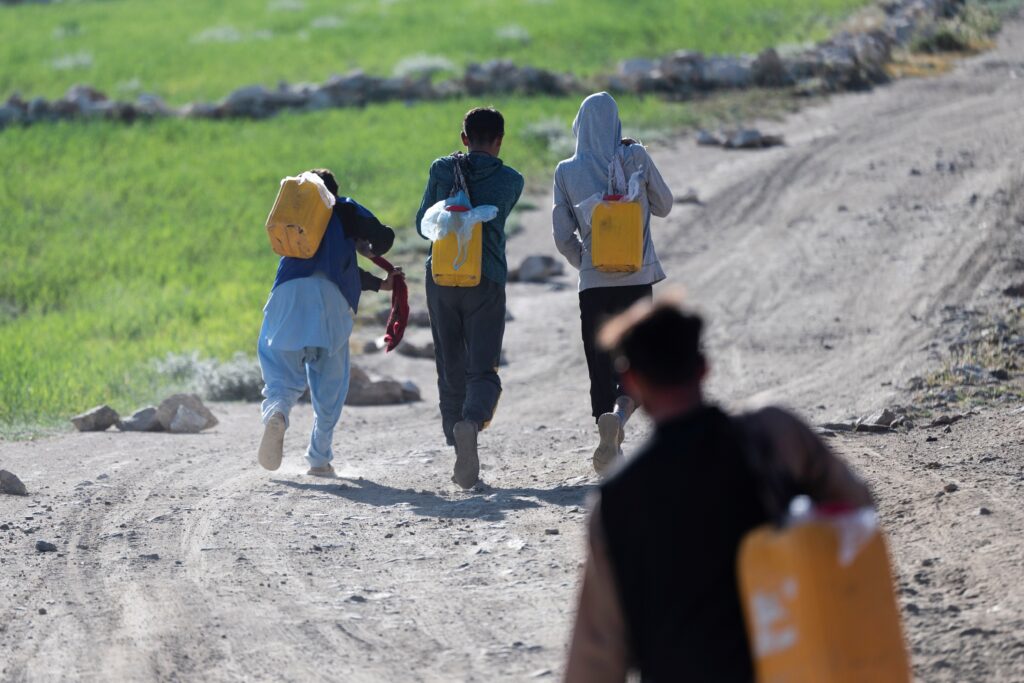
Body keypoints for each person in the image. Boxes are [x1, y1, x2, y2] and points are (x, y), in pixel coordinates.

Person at [564, 296, 873, 682]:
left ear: (632, 383)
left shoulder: (615, 501)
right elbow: (857, 508)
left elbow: (595, 655)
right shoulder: (773, 437)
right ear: (703, 368)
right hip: (786, 666)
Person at [552, 91, 674, 475]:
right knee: (637, 361)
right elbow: (665, 205)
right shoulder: (634, 156)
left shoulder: (565, 171)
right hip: (638, 279)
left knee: (600, 364)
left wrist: (587, 264)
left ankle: (609, 433)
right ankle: (619, 420)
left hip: (593, 285)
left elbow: (562, 236)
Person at [257, 168, 402, 477]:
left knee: (280, 376)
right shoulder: (344, 208)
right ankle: (319, 459)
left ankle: (277, 413)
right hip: (333, 299)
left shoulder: (297, 222)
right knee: (330, 384)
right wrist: (369, 249)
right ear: (333, 192)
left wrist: (377, 281)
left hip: (287, 294)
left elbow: (322, 265)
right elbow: (383, 238)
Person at [415, 107, 525, 489]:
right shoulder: (511, 180)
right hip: (486, 279)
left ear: (464, 138)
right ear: (500, 141)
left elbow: (421, 225)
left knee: (450, 360)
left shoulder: (441, 169)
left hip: (441, 279)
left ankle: (455, 435)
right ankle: (472, 423)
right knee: (482, 367)